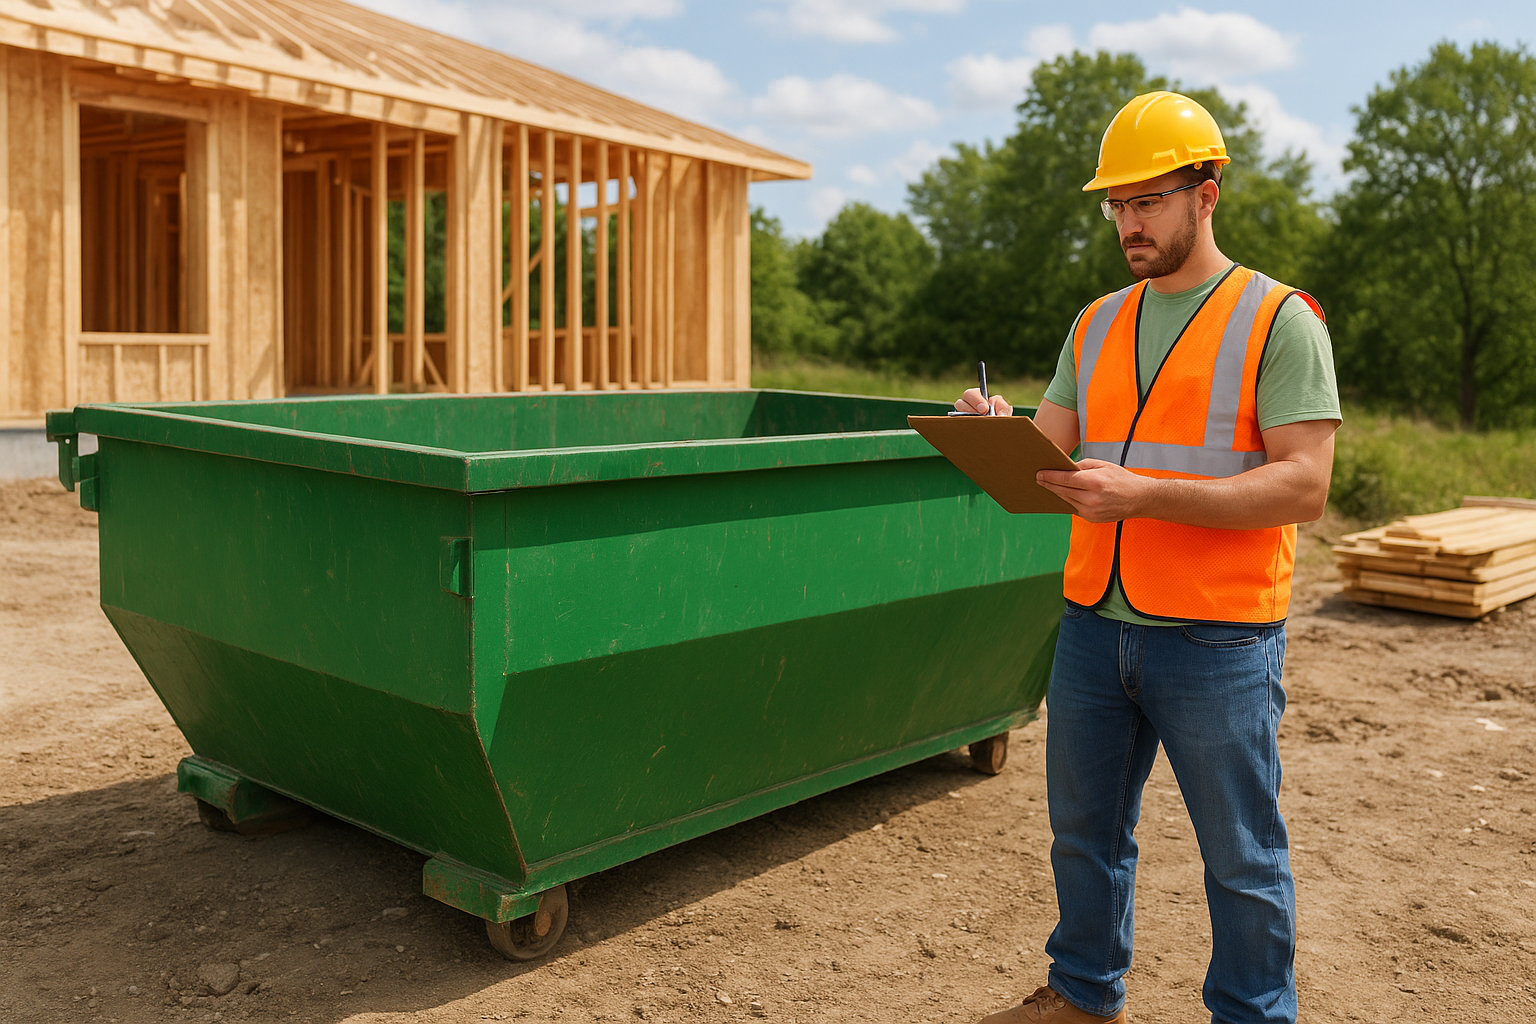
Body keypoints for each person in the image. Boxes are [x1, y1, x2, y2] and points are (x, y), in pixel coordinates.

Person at [957, 91, 1341, 1024]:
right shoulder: (1095, 323)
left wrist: (1147, 494)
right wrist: (999, 435)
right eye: (1115, 206)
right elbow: (1046, 463)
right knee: (1084, 837)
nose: (1128, 224)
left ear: (1206, 193)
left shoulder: (1280, 321)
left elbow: (1304, 488)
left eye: (1149, 201)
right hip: (1096, 625)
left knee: (1241, 856)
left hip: (1218, 640)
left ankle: (1254, 1013)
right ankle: (1083, 994)